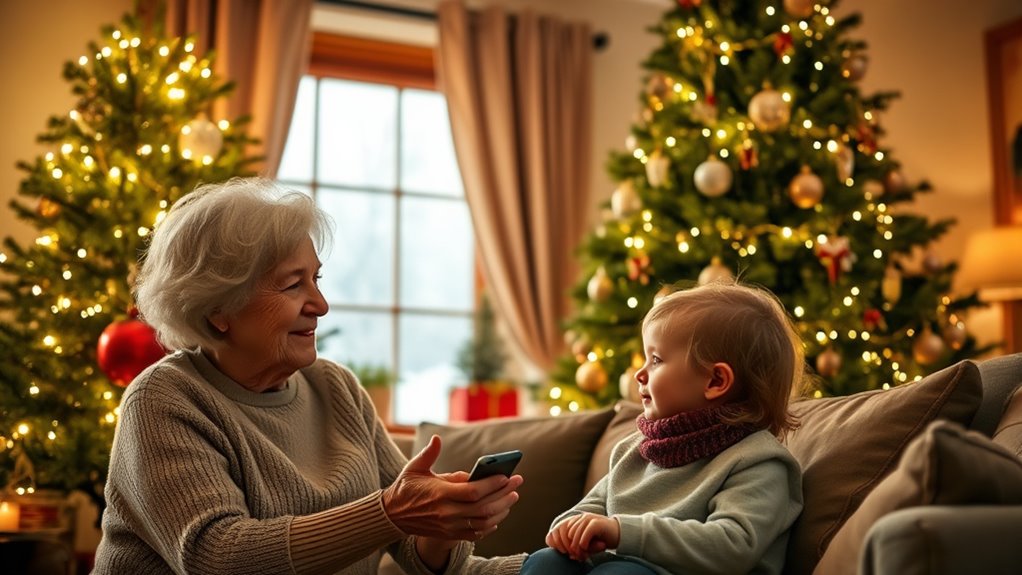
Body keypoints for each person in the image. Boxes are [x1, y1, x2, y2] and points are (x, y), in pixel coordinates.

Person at [92, 178, 527, 575]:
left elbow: (412, 548)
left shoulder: (335, 388)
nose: (320, 304)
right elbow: (217, 557)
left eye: (316, 279)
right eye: (292, 285)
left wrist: (443, 525)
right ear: (218, 309)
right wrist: (391, 511)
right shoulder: (164, 400)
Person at [520, 282, 805, 575]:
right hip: (613, 567)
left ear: (715, 381)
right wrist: (569, 529)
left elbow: (732, 546)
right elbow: (589, 507)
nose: (640, 374)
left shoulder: (758, 462)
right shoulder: (634, 450)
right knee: (546, 562)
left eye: (655, 360)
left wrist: (623, 532)